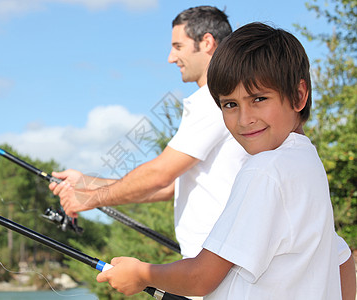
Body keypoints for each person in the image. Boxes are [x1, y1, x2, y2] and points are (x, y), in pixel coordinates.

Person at [96, 22, 356, 299]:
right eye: (230, 104)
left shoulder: (265, 170)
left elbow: (200, 277)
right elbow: (342, 260)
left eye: (258, 98)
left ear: (299, 95)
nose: (245, 119)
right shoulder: (308, 165)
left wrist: (140, 274)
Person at [49, 5, 249, 260]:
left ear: (207, 42)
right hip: (210, 263)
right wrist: (85, 183)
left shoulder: (214, 100)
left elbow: (159, 175)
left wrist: (89, 200)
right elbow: (170, 187)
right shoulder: (219, 99)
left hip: (219, 265)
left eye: (178, 46)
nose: (170, 57)